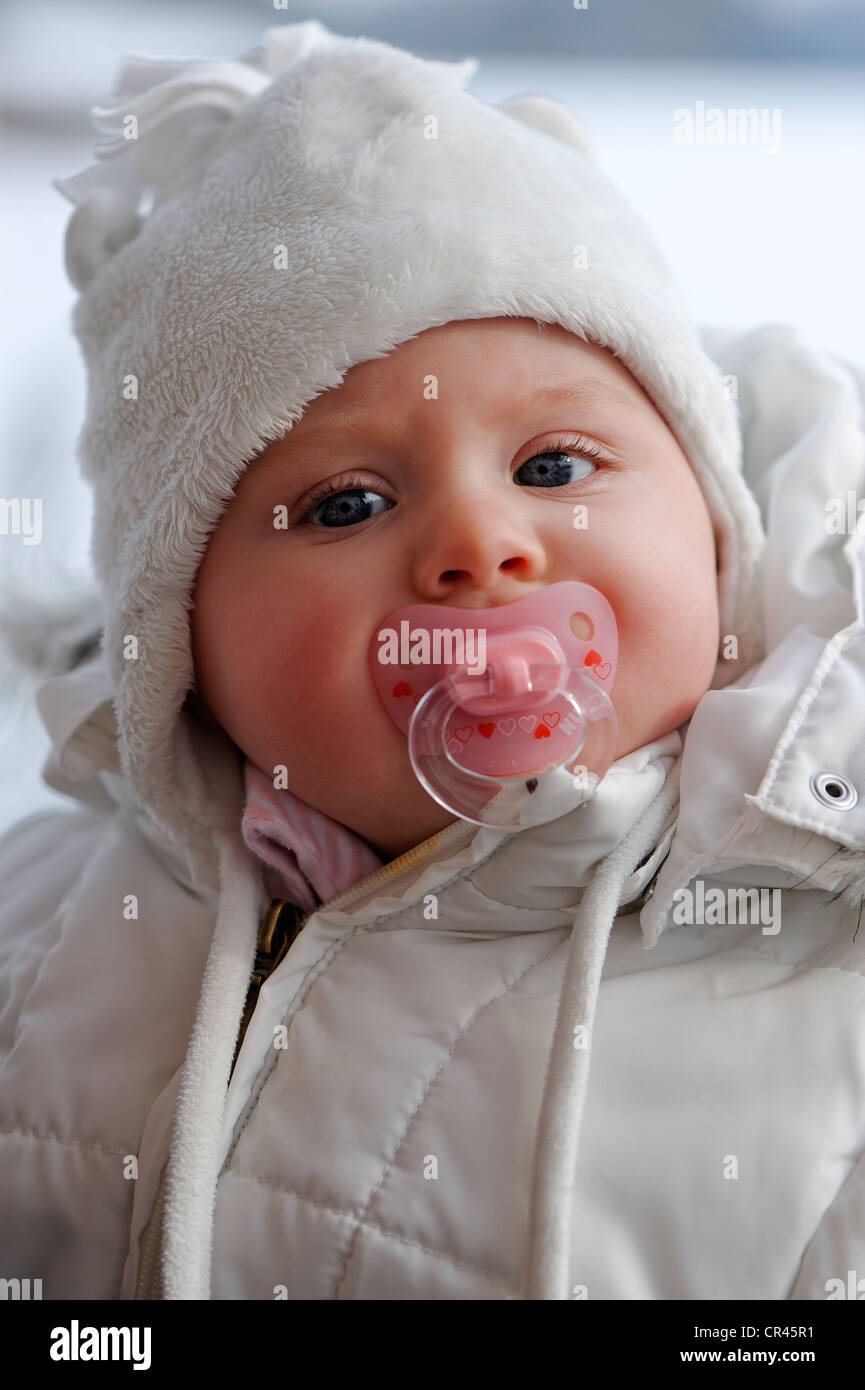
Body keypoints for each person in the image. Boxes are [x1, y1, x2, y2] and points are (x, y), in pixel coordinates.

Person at [1, 19, 864, 1301]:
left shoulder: (823, 993)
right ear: (178, 637)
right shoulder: (44, 938)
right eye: (346, 504)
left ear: (713, 521)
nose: (478, 543)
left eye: (554, 467)